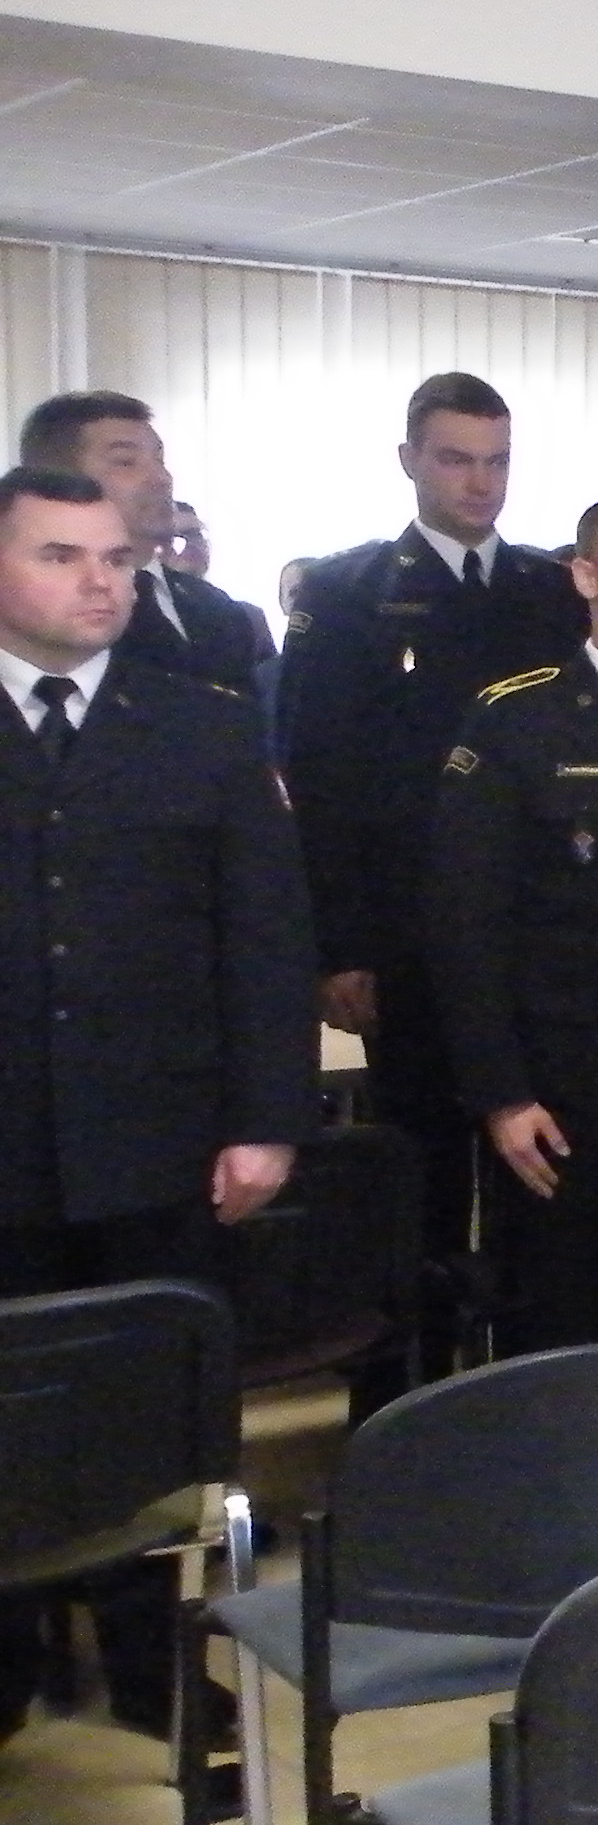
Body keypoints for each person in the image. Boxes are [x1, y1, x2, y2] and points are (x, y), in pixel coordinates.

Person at [0, 469, 314, 1741]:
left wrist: (269, 1119)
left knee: (157, 1425)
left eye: (118, 559)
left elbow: (266, 938)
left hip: (162, 1141)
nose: (100, 582)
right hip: (7, 1142)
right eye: (61, 555)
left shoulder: (203, 725)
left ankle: (157, 1673)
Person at [283, 372, 587, 1263]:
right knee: (420, 1170)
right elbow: (320, 778)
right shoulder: (348, 591)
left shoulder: (551, 588)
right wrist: (340, 946)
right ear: (409, 460)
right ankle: (414, 1346)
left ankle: (527, 1345)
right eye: (457, 460)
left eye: (498, 461)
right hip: (405, 925)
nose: (480, 482)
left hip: (535, 928)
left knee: (542, 1171)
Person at [428, 494, 598, 1356]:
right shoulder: (519, 716)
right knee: (560, 1327)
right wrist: (502, 1093)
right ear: (587, 575)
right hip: (567, 1082)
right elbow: (466, 922)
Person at [17, 391, 275, 690]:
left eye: (160, 460)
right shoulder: (30, 609)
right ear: (59, 481)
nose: (161, 478)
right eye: (126, 462)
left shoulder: (216, 609)